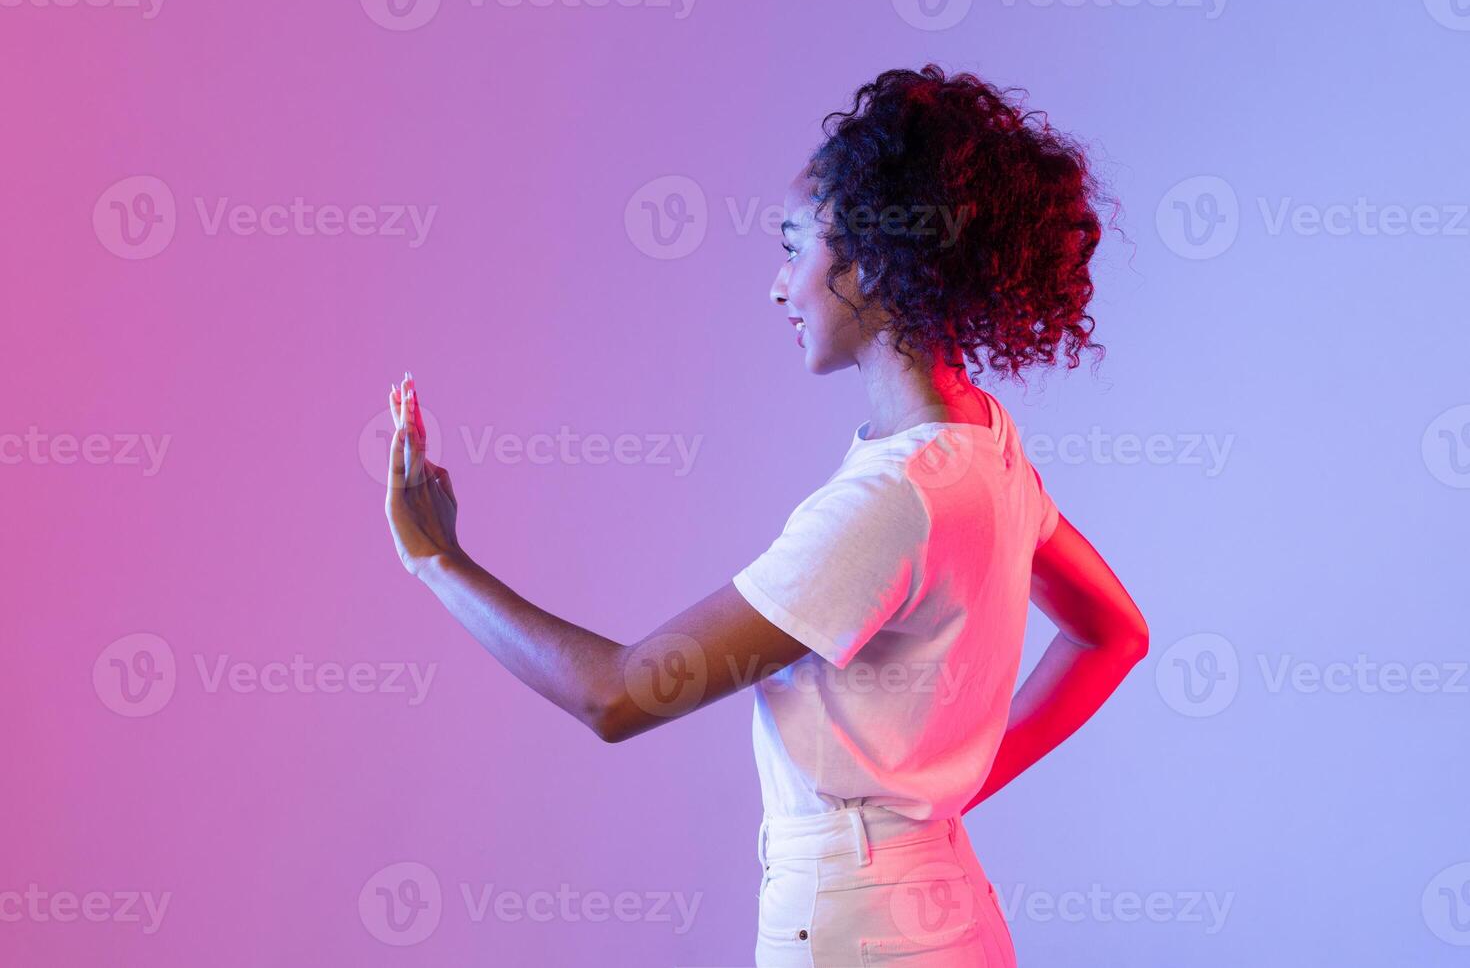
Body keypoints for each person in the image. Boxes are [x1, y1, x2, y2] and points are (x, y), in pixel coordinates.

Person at [383, 64, 1148, 966]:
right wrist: (945, 793)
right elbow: (1114, 634)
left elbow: (619, 694)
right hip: (949, 908)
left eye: (794, 249)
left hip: (857, 928)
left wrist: (438, 560)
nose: (778, 287)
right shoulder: (986, 445)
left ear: (869, 263)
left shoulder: (892, 500)